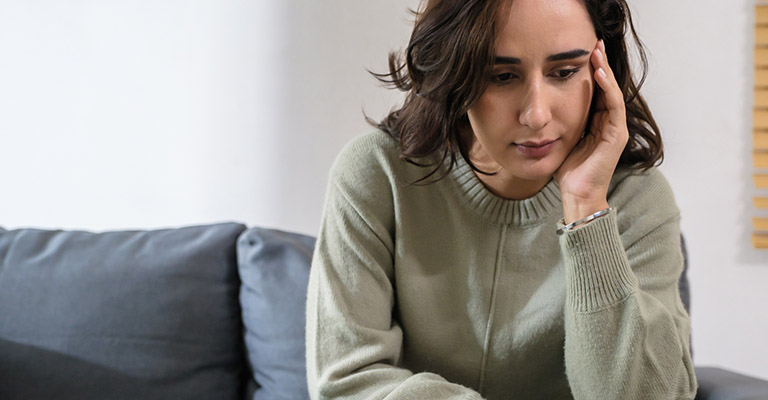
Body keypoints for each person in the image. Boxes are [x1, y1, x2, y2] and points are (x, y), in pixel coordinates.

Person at [306, 0, 698, 398]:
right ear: (454, 74)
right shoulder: (377, 174)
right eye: (502, 76)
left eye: (565, 72)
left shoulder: (637, 198)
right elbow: (346, 382)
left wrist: (586, 209)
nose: (536, 115)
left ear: (604, 70)